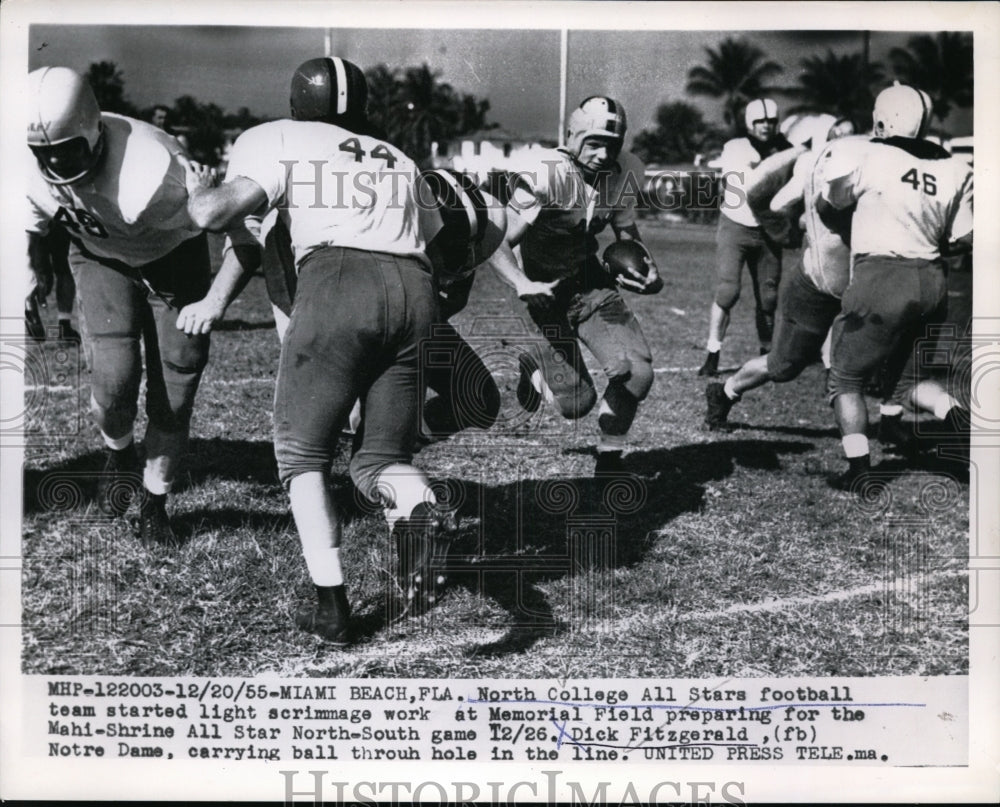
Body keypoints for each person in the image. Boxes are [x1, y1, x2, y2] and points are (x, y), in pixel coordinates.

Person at [178, 56, 498, 644]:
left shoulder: (276, 138)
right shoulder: (398, 158)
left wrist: (200, 187)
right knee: (377, 460)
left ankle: (332, 607)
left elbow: (211, 213)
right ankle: (417, 504)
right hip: (414, 290)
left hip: (337, 280)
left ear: (298, 104)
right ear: (364, 109)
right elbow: (437, 243)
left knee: (302, 459)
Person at [25, 66, 212, 545]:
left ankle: (155, 502)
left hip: (173, 255)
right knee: (113, 380)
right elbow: (29, 222)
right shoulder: (21, 159)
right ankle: (120, 452)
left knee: (175, 387)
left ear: (90, 130)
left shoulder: (152, 173)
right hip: (99, 253)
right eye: (45, 155)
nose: (56, 167)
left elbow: (218, 220)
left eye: (67, 152)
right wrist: (33, 271)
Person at [489, 95, 663, 475]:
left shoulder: (625, 171)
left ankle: (609, 458)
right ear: (573, 137)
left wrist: (647, 270)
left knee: (637, 372)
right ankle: (533, 365)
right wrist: (521, 282)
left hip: (589, 283)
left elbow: (626, 232)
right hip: (543, 290)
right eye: (594, 143)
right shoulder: (549, 171)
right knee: (575, 404)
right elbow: (497, 239)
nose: (604, 154)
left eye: (611, 145)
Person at [817, 83, 973, 490]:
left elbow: (830, 203)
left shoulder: (865, 153)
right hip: (933, 281)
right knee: (904, 383)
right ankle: (958, 419)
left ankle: (859, 471)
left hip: (881, 276)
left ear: (884, 119)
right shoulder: (953, 168)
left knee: (845, 379)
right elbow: (964, 236)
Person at [703, 114, 860, 430]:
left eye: (850, 132)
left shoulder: (866, 159)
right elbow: (771, 200)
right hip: (821, 276)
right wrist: (806, 215)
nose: (846, 138)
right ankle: (726, 389)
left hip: (861, 275)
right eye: (838, 133)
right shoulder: (814, 163)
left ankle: (889, 419)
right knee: (783, 365)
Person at [698, 98, 795, 376]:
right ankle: (713, 353)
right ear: (750, 123)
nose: (766, 126)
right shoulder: (736, 147)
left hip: (768, 231)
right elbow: (745, 187)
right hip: (737, 225)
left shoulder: (786, 149)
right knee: (728, 291)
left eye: (770, 121)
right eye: (760, 121)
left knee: (768, 297)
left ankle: (767, 353)